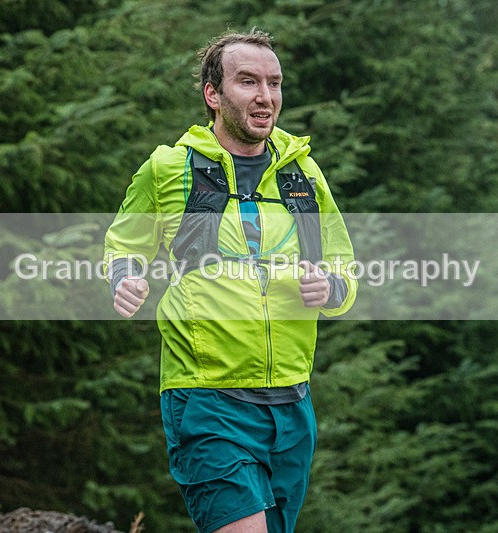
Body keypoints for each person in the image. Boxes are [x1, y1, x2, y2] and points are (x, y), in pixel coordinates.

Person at [104, 29, 357, 533]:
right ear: (213, 95)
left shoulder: (302, 173)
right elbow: (125, 244)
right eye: (248, 82)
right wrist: (126, 279)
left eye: (274, 83)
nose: (266, 97)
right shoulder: (168, 168)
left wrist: (329, 288)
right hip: (206, 398)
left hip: (292, 402)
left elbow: (343, 264)